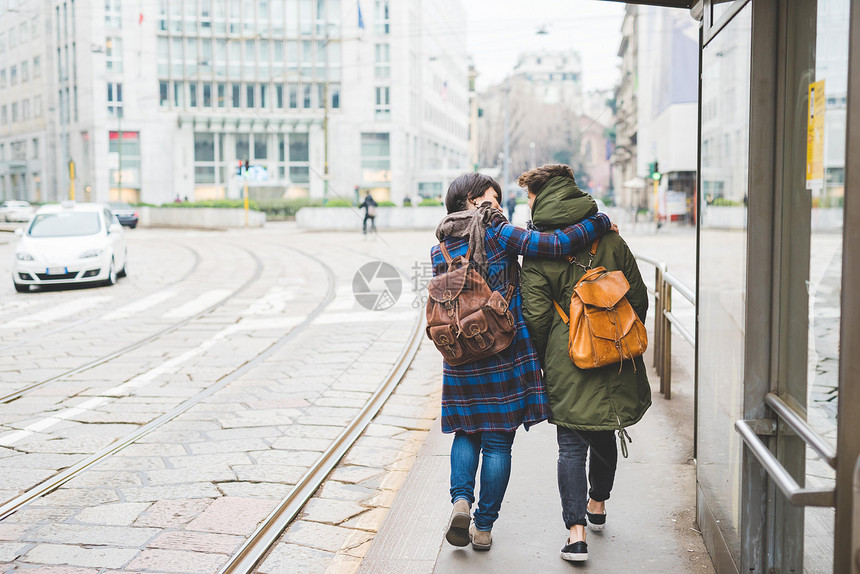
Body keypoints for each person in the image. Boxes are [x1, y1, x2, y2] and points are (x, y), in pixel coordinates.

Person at [432, 172, 615, 552]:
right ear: (467, 201)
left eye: (497, 198)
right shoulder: (497, 232)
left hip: (461, 354)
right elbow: (551, 245)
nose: (495, 204)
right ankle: (482, 527)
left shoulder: (440, 246)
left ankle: (460, 501)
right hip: (504, 351)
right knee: (498, 444)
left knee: (466, 431)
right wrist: (598, 222)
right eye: (487, 197)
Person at [519, 164, 651, 563]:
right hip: (614, 349)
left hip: (567, 355)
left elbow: (537, 318)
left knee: (571, 444)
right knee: (604, 429)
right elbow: (640, 298)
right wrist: (617, 331)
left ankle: (576, 535)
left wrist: (547, 359)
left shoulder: (540, 250)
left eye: (528, 195)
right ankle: (597, 504)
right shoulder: (610, 239)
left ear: (539, 196)